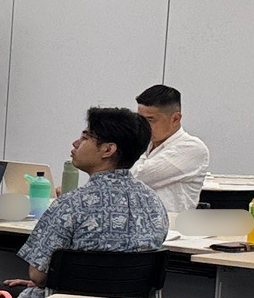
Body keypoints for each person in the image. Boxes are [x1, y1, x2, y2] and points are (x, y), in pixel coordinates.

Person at [16, 107, 169, 287]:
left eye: (85, 138)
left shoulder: (71, 204)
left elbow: (38, 275)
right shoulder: (154, 203)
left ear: (108, 149)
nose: (75, 143)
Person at [132, 84, 210, 216]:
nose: (142, 126)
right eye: (140, 119)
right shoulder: (146, 145)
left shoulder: (191, 147)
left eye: (150, 120)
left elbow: (134, 178)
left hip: (172, 226)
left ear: (175, 118)